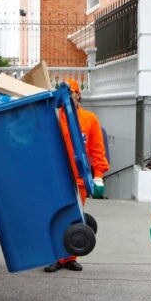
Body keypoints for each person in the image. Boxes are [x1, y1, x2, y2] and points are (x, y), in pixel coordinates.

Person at [44, 78, 109, 272]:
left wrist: (98, 176)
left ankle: (70, 257)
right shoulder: (52, 118)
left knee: (75, 218)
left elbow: (97, 149)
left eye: (72, 92)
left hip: (79, 179)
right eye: (66, 92)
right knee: (57, 218)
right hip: (57, 179)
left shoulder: (90, 119)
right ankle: (56, 257)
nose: (69, 96)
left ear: (78, 94)